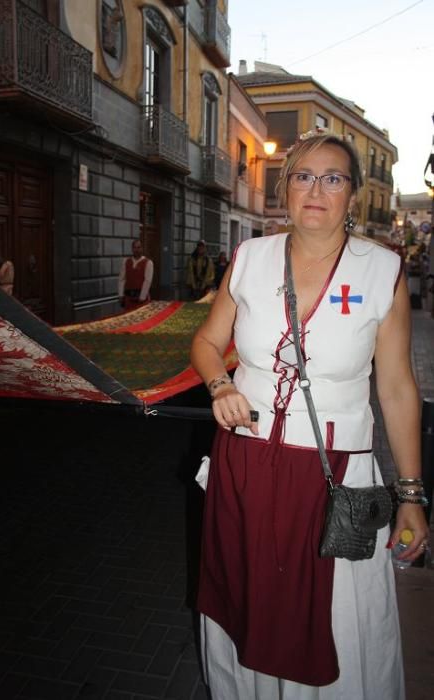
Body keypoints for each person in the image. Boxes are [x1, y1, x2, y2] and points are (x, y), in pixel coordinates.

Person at [190, 132, 429, 699]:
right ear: (285, 188)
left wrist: (412, 495)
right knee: (244, 598)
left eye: (333, 178)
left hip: (333, 477)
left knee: (332, 618)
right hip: (245, 462)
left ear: (353, 194)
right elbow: (205, 341)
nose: (316, 189)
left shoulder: (382, 271)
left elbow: (396, 388)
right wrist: (220, 383)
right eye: (302, 176)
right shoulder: (250, 257)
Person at [118, 239, 153, 312]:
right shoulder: (126, 261)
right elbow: (122, 279)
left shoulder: (148, 263)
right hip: (128, 298)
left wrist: (142, 297)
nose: (136, 250)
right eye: (135, 247)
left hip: (141, 298)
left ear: (142, 248)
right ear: (132, 249)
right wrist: (121, 295)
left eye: (138, 247)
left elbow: (147, 281)